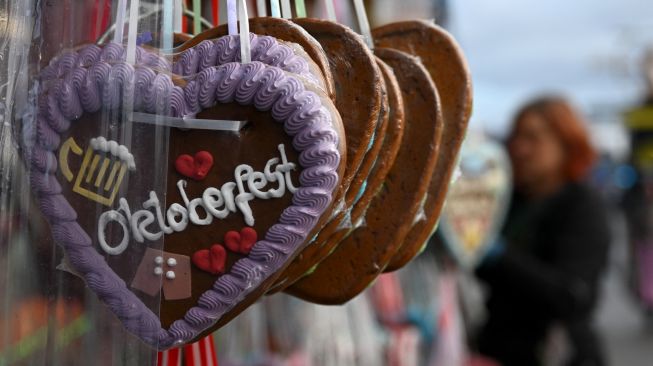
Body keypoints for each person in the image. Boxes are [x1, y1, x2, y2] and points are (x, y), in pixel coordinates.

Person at [475, 97, 610, 366]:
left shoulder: (582, 205)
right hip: (500, 349)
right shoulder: (512, 201)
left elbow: (572, 296)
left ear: (566, 144)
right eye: (516, 137)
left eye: (533, 138)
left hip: (558, 353)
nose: (519, 148)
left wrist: (499, 256)